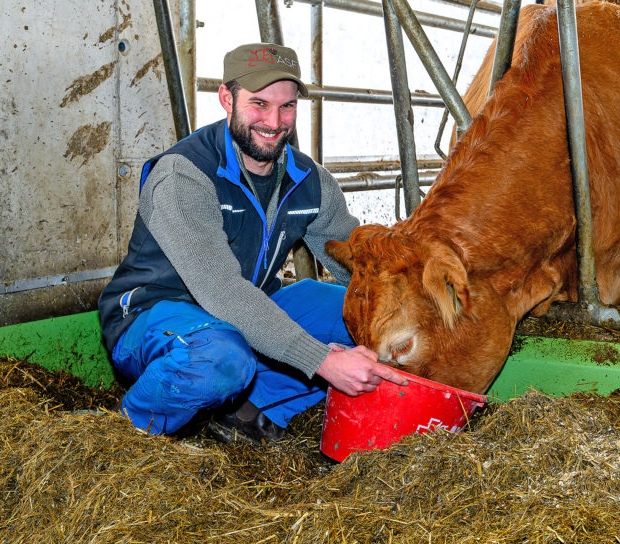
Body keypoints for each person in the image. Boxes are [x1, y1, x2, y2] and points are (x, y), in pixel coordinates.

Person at [98, 42, 407, 444]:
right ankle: (123, 435)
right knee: (218, 358)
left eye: (287, 107)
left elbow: (356, 262)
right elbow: (222, 292)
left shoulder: (308, 181)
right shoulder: (186, 175)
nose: (274, 122)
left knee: (369, 317)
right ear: (227, 98)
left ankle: (246, 409)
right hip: (154, 318)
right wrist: (323, 361)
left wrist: (408, 292)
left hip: (247, 313)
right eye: (259, 104)